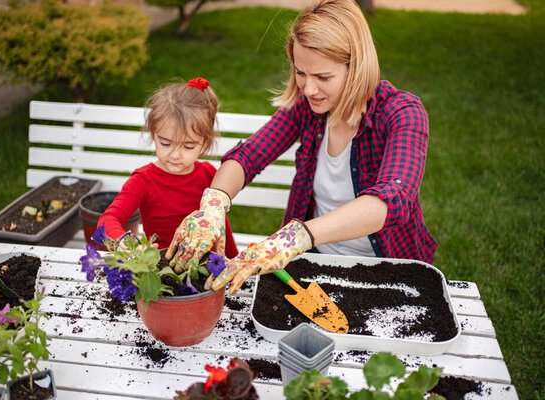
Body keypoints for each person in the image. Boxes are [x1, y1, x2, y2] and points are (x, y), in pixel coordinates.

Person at [166, 0, 436, 294]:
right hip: (312, 265)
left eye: (323, 77)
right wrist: (213, 207)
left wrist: (296, 237)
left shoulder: (402, 113)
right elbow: (248, 156)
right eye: (300, 73)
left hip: (390, 270)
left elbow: (392, 198)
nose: (308, 89)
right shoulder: (306, 108)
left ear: (357, 67)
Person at [97, 77, 239, 264]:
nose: (175, 155)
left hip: (204, 264)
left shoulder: (208, 174)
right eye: (165, 143)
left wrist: (233, 258)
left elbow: (219, 222)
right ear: (153, 135)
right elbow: (107, 221)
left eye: (188, 146)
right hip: (161, 264)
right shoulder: (143, 180)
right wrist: (128, 245)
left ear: (204, 142)